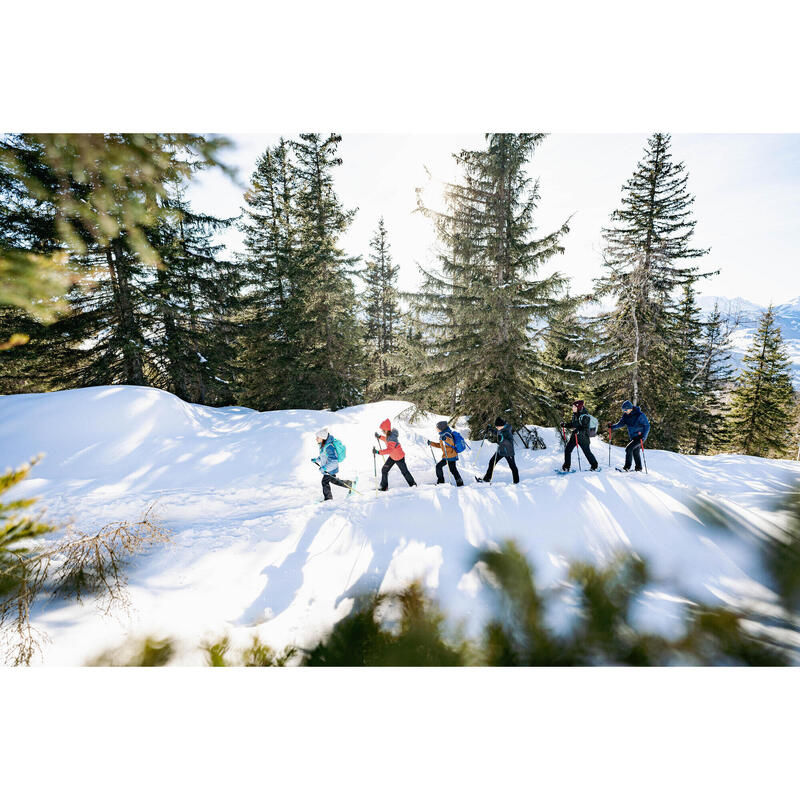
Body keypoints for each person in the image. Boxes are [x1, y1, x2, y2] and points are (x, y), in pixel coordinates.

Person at [373, 418, 417, 491]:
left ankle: (413, 485)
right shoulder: (389, 434)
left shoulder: (392, 438)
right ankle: (384, 487)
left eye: (382, 430)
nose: (382, 431)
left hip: (399, 458)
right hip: (392, 457)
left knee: (405, 472)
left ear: (386, 429)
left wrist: (378, 452)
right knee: (384, 470)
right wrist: (379, 436)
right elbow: (386, 439)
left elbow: (389, 450)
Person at [312, 428, 354, 501]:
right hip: (329, 469)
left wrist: (325, 468)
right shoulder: (323, 445)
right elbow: (323, 456)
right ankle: (350, 484)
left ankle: (328, 499)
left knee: (324, 482)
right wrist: (317, 460)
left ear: (323, 438)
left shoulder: (329, 447)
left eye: (318, 437)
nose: (316, 439)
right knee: (334, 480)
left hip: (330, 469)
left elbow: (334, 460)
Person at [609, 400, 650, 471]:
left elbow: (647, 426)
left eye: (626, 409)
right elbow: (620, 424)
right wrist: (612, 427)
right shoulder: (625, 416)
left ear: (630, 408)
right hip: (633, 437)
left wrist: (643, 435)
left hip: (640, 437)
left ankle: (626, 467)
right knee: (635, 452)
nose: (624, 411)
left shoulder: (639, 415)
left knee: (628, 449)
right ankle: (638, 468)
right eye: (623, 410)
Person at [478, 416, 519, 484]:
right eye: (496, 426)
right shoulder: (501, 429)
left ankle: (516, 482)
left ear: (502, 425)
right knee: (491, 462)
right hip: (500, 450)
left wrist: (502, 440)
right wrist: (490, 429)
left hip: (508, 451)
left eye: (497, 426)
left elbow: (509, 443)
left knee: (512, 466)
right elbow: (496, 433)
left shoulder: (507, 431)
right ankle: (487, 478)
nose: (496, 427)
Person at [561, 400, 599, 471]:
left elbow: (585, 428)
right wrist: (565, 425)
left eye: (574, 407)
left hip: (583, 438)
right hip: (574, 437)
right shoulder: (574, 414)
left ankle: (595, 466)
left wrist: (578, 431)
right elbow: (573, 424)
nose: (572, 408)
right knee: (567, 450)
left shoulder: (585, 416)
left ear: (578, 407)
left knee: (587, 453)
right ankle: (566, 467)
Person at [427, 421, 464, 486]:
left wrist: (445, 439)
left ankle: (441, 482)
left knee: (440, 467)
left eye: (437, 428)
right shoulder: (443, 434)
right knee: (452, 469)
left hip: (450, 456)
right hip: (448, 456)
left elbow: (451, 442)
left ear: (441, 428)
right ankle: (460, 482)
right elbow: (442, 445)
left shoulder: (446, 434)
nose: (436, 429)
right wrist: (431, 443)